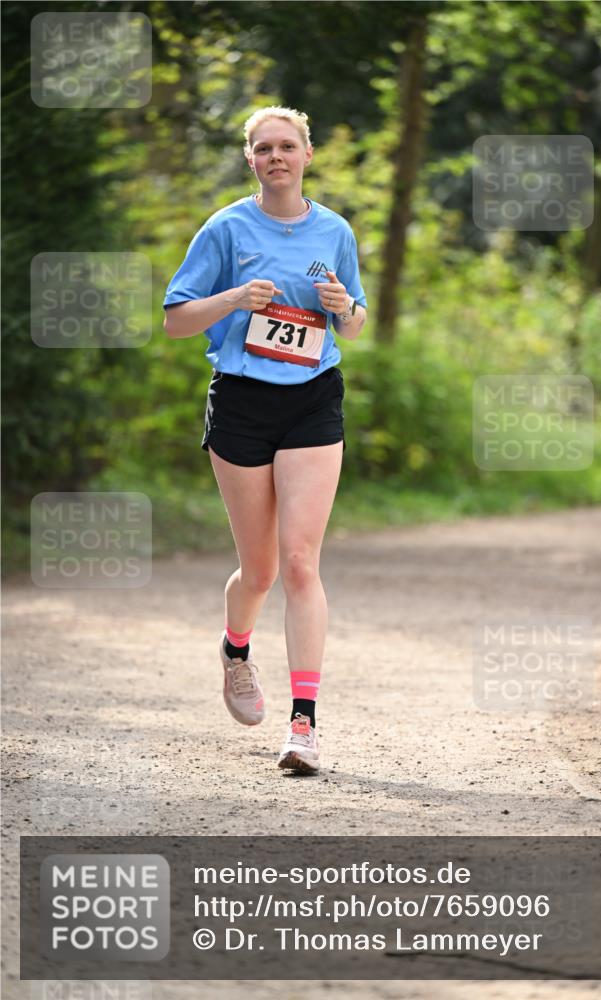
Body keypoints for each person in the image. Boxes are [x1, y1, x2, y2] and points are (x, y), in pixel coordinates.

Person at [163, 106, 367, 774]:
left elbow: (356, 323)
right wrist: (231, 301)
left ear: (308, 153)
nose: (276, 155)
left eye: (287, 145)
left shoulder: (334, 230)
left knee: (301, 562)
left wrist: (343, 308)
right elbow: (175, 321)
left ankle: (303, 726)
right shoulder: (226, 228)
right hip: (243, 403)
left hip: (312, 401)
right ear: (249, 159)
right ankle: (235, 649)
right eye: (263, 147)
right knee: (260, 572)